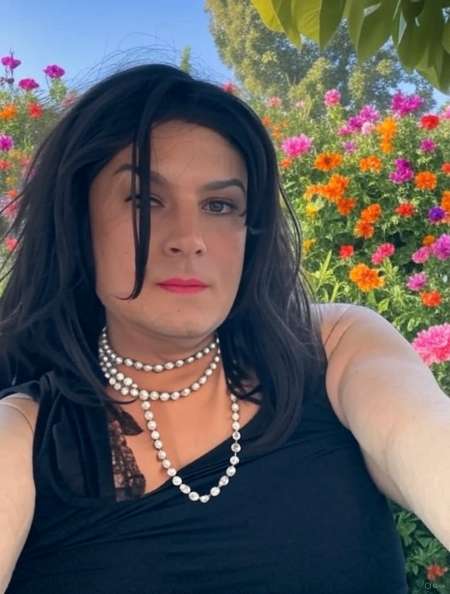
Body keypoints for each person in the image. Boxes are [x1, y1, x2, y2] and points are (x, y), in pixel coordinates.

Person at [0, 63, 409, 593]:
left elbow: (424, 439)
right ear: (79, 224)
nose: (189, 239)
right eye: (145, 200)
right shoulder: (23, 431)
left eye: (219, 205)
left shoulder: (334, 349)